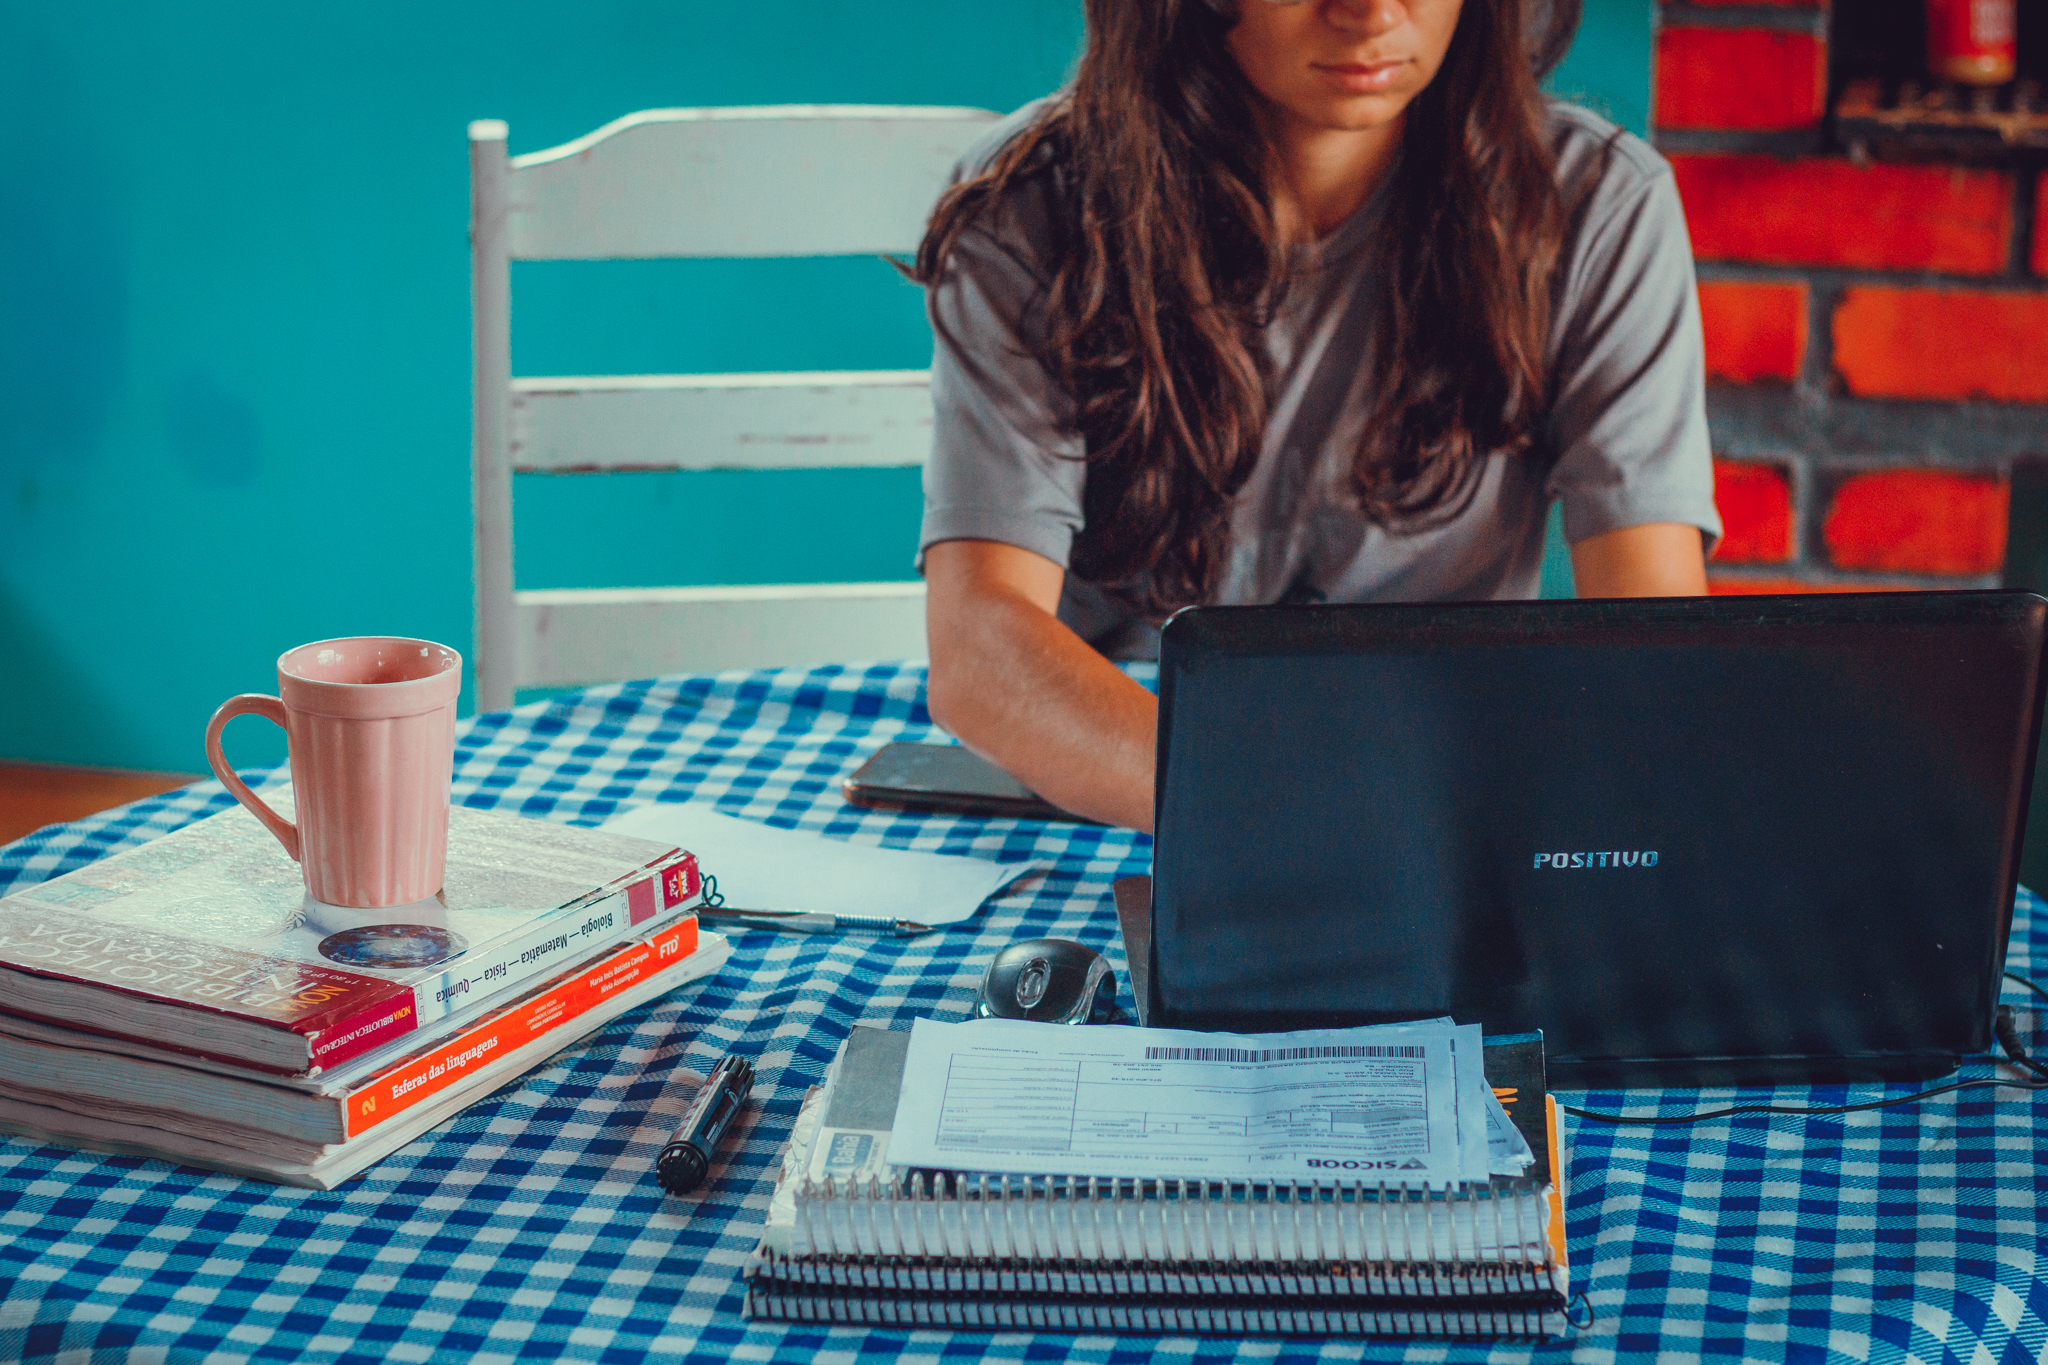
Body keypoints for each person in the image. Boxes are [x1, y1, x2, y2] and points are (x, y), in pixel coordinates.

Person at [910, 0, 1720, 833]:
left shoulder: (1599, 205)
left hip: (1439, 790)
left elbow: (1646, 651)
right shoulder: (1035, 201)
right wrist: (1303, 815)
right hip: (1116, 775)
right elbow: (980, 649)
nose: (1371, 14)